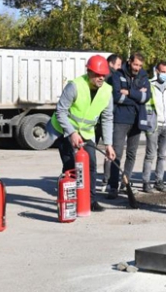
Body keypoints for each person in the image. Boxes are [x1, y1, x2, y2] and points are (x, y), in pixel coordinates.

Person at [47, 55, 116, 213]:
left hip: (87, 133)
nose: (101, 78)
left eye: (103, 75)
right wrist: (71, 133)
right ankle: (69, 201)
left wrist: (108, 144)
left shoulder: (107, 91)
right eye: (97, 74)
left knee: (91, 165)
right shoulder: (75, 86)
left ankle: (90, 201)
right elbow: (61, 111)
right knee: (71, 166)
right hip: (65, 130)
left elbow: (107, 118)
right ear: (89, 72)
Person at [107, 53, 151, 199]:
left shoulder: (144, 76)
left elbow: (146, 97)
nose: (137, 68)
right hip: (120, 119)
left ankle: (125, 183)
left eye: (140, 66)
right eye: (135, 64)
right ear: (129, 62)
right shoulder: (117, 75)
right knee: (116, 154)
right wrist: (137, 96)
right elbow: (117, 97)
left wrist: (130, 92)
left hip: (137, 120)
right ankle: (112, 186)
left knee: (131, 154)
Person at [141, 61, 166, 193]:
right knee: (150, 155)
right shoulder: (150, 84)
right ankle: (145, 182)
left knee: (163, 155)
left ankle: (159, 181)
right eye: (162, 72)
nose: (165, 74)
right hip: (153, 125)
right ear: (157, 71)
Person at [96, 54, 122, 189]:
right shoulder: (112, 77)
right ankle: (107, 179)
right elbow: (116, 96)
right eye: (118, 65)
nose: (120, 68)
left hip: (96, 120)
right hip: (105, 119)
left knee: (88, 152)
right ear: (111, 64)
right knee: (109, 149)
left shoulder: (100, 77)